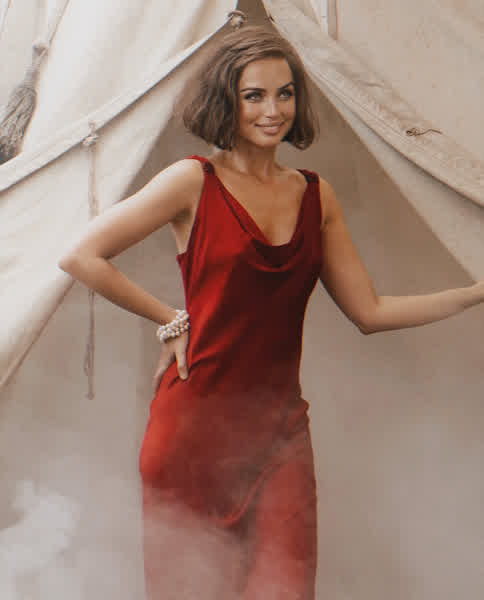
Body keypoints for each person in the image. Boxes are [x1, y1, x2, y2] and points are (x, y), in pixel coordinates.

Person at [58, 24, 484, 600]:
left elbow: (371, 311)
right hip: (191, 438)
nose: (273, 110)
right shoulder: (192, 181)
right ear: (226, 101)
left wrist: (474, 293)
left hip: (280, 437)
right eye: (253, 95)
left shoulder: (316, 194)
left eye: (285, 93)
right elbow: (81, 256)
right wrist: (169, 317)